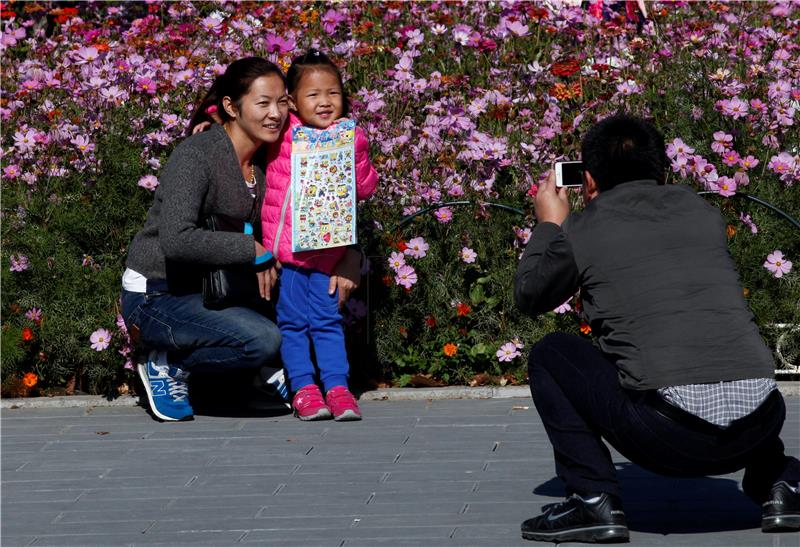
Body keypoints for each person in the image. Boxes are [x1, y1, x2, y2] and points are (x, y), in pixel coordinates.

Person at [514, 113, 800, 543]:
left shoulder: (582, 227)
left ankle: (592, 499)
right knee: (713, 347)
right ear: (664, 172)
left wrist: (550, 223)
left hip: (669, 438)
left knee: (551, 354)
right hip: (762, 419)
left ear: (588, 181)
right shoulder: (700, 211)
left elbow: (530, 295)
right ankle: (782, 484)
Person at [121, 57, 362, 422]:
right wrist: (251, 251)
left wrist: (350, 255)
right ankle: (167, 363)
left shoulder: (274, 156)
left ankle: (256, 377)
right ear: (232, 107)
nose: (275, 114)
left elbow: (321, 207)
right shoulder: (197, 154)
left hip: (220, 289)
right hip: (158, 292)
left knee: (297, 312)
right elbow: (176, 239)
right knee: (263, 341)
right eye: (262, 104)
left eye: (282, 102)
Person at [262, 49, 378, 422]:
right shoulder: (282, 133)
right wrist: (210, 119)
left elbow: (364, 188)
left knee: (327, 320)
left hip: (328, 251)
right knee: (293, 323)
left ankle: (338, 388)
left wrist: (356, 151)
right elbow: (244, 119)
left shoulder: (348, 135)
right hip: (290, 254)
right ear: (292, 101)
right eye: (313, 95)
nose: (325, 102)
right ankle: (304, 389)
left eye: (333, 93)